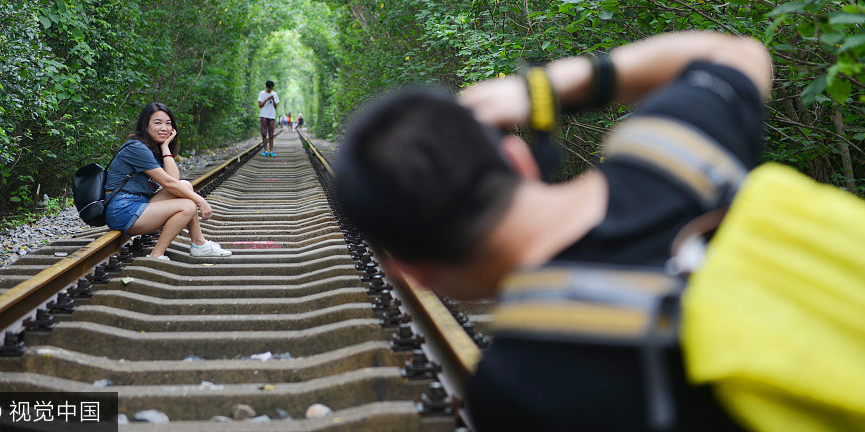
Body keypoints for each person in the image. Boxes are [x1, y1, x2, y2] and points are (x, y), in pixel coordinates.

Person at [335, 30, 772, 431]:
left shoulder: (514, 385)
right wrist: (543, 88)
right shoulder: (674, 154)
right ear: (519, 157)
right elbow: (737, 52)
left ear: (416, 272)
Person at [104, 102, 233, 260]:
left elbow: (175, 181)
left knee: (185, 186)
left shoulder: (153, 149)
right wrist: (201, 201)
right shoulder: (136, 148)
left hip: (138, 204)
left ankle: (199, 244)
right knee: (188, 206)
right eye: (157, 123)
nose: (164, 128)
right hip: (122, 210)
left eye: (168, 123)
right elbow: (170, 184)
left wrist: (165, 146)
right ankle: (156, 255)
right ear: (145, 125)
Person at [257, 80, 280, 156]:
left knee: (271, 134)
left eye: (272, 88)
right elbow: (260, 105)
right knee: (264, 134)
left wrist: (273, 99)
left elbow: (275, 106)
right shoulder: (262, 93)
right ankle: (265, 150)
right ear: (267, 87)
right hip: (263, 115)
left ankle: (271, 151)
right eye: (269, 88)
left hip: (271, 116)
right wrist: (266, 99)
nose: (270, 90)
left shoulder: (275, 94)